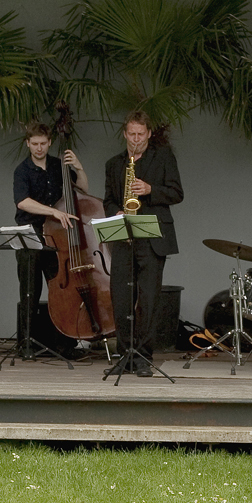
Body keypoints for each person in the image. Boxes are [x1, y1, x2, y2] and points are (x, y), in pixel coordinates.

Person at [102, 111, 182, 372]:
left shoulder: (163, 157)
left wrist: (150, 190)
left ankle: (144, 358)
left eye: (141, 134)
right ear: (125, 134)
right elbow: (108, 199)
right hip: (124, 237)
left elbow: (176, 193)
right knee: (121, 297)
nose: (136, 139)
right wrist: (115, 211)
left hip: (153, 237)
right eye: (131, 134)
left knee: (148, 300)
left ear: (148, 133)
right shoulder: (114, 164)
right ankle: (124, 356)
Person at [13, 124, 90, 358]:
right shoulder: (22, 170)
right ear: (28, 143)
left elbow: (84, 190)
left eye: (43, 144)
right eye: (34, 144)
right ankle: (26, 345)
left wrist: (78, 167)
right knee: (30, 291)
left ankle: (64, 345)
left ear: (49, 143)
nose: (39, 148)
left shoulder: (58, 166)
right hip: (32, 231)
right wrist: (53, 211)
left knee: (61, 291)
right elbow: (22, 202)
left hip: (57, 235)